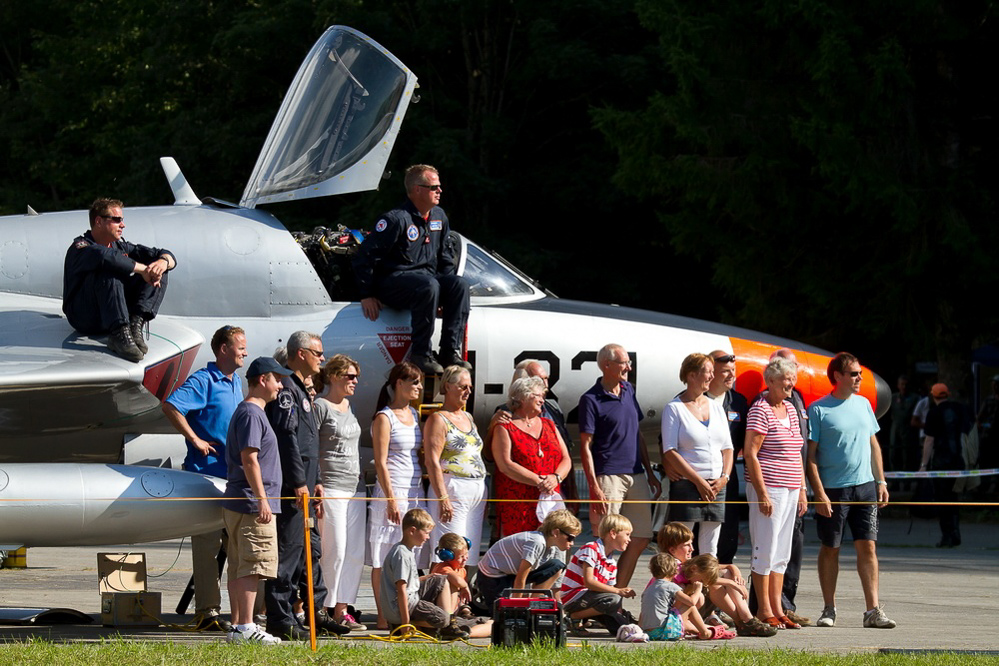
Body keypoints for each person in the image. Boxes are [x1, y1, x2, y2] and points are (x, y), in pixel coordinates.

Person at [162, 325, 247, 632]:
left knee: (237, 548)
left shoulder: (235, 381)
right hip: (206, 477)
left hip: (233, 479)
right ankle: (207, 612)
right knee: (208, 549)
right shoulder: (204, 380)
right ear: (223, 349)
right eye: (240, 347)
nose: (245, 352)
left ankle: (242, 615)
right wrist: (195, 439)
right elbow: (171, 405)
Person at [263, 331, 347, 640]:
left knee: (308, 552)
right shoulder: (287, 390)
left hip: (308, 486)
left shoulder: (301, 390)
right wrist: (299, 482)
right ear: (301, 354)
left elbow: (309, 444)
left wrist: (318, 481)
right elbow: (287, 440)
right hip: (292, 488)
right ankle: (280, 618)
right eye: (318, 353)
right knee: (288, 552)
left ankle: (312, 613)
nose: (322, 359)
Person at [352, 164, 470, 375]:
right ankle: (421, 353)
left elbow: (445, 259)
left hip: (426, 283)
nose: (440, 191)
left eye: (439, 187)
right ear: (417, 189)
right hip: (394, 282)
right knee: (429, 285)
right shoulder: (395, 219)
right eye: (434, 187)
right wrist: (366, 294)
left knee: (459, 285)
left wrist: (445, 297)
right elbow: (366, 257)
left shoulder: (439, 216)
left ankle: (450, 351)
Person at [806, 352, 896, 629]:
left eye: (859, 373)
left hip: (865, 487)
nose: (859, 378)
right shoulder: (819, 409)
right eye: (854, 373)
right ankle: (829, 608)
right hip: (833, 490)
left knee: (868, 546)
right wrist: (819, 493)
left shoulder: (864, 404)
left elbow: (873, 445)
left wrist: (880, 481)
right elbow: (810, 456)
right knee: (831, 547)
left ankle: (872, 610)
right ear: (838, 376)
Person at [221, 356, 291, 645]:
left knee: (240, 564)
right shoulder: (252, 413)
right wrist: (263, 499)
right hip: (252, 504)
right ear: (263, 380)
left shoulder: (248, 411)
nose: (281, 385)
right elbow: (250, 458)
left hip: (241, 502)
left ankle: (239, 626)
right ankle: (248, 625)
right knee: (253, 564)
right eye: (277, 379)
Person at [579, 344, 661, 587]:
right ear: (607, 365)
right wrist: (594, 486)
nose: (629, 367)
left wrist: (649, 472)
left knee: (641, 536)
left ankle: (616, 594)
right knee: (605, 541)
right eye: (624, 362)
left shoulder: (628, 389)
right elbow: (585, 445)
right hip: (608, 476)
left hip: (636, 474)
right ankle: (593, 598)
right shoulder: (590, 398)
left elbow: (638, 433)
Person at [62, 197, 176, 362]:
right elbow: (104, 256)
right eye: (116, 220)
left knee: (158, 270)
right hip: (85, 317)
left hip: (111, 310)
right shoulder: (80, 248)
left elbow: (164, 254)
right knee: (109, 269)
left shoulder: (121, 246)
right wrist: (143, 269)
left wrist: (162, 263)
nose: (122, 225)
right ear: (99, 221)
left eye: (122, 220)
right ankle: (119, 333)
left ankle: (135, 324)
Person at [743, 358, 808, 630]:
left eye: (792, 378)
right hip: (769, 487)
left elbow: (796, 453)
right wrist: (762, 493)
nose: (790, 383)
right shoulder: (760, 409)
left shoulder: (791, 409)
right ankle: (763, 609)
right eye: (784, 379)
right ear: (770, 381)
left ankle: (779, 608)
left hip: (792, 487)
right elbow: (750, 453)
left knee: (782, 551)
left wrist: (803, 489)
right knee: (765, 549)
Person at [370, 361, 428, 629]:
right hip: (392, 491)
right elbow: (380, 461)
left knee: (409, 553)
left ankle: (405, 612)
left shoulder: (415, 415)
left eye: (419, 382)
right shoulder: (384, 417)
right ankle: (384, 616)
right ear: (399, 384)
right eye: (414, 381)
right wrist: (391, 499)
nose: (419, 387)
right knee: (385, 554)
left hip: (414, 490)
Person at [661, 353, 734, 557]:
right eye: (708, 372)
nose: (712, 376)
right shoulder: (674, 408)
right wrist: (698, 481)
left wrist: (724, 478)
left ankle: (704, 587)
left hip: (717, 486)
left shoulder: (716, 407)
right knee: (681, 544)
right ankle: (677, 587)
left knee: (710, 547)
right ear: (692, 375)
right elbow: (670, 450)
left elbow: (728, 447)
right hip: (687, 484)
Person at [313, 354, 367, 630]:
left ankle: (342, 609)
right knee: (335, 550)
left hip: (354, 486)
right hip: (331, 485)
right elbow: (311, 447)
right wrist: (316, 482)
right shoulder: (320, 406)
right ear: (333, 376)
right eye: (350, 376)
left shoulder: (349, 406)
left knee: (354, 552)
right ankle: (322, 608)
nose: (355, 381)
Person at [487, 359, 579, 512]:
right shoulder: (504, 416)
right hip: (518, 497)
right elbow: (498, 461)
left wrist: (558, 480)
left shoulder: (552, 410)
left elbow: (565, 454)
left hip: (552, 493)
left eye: (545, 379)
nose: (545, 385)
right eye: (539, 380)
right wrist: (539, 481)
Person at [658, 522, 775, 637]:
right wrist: (731, 583)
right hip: (679, 613)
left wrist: (735, 573)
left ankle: (746, 620)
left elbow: (726, 567)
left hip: (689, 609)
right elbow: (700, 580)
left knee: (725, 573)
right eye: (687, 545)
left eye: (691, 544)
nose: (692, 549)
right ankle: (744, 621)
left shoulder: (687, 562)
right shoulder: (671, 567)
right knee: (712, 583)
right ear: (672, 550)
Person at [492, 376, 572, 537]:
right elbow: (505, 465)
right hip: (518, 502)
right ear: (522, 396)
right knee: (521, 551)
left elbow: (566, 459)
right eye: (538, 395)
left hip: (550, 500)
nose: (543, 400)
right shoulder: (505, 427)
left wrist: (556, 478)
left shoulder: (549, 425)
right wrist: (539, 481)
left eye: (544, 396)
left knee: (552, 549)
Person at [424, 366, 487, 567]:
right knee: (450, 551)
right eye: (462, 387)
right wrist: (442, 496)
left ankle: (459, 598)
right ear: (448, 387)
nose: (468, 391)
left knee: (468, 552)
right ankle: (442, 596)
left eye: (470, 387)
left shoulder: (469, 418)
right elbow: (432, 460)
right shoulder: (438, 419)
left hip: (475, 488)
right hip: (452, 487)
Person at [378, 508, 469, 639]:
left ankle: (448, 625)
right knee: (443, 619)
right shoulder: (402, 555)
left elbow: (408, 583)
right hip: (402, 607)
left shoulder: (405, 550)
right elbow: (401, 590)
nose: (428, 537)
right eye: (426, 533)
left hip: (410, 599)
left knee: (442, 579)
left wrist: (429, 577)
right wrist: (405, 623)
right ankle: (403, 625)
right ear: (412, 531)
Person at [474, 509, 581, 611]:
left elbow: (543, 575)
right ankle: (472, 630)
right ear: (556, 533)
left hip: (509, 574)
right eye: (570, 538)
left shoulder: (551, 547)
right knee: (505, 617)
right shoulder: (537, 542)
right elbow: (521, 577)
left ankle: (532, 606)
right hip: (492, 579)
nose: (572, 543)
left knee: (557, 566)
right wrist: (516, 606)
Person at [705, 351, 749, 566]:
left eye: (733, 371)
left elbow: (744, 444)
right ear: (710, 373)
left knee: (727, 537)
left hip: (727, 482)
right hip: (698, 482)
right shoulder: (690, 399)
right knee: (696, 541)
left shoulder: (739, 403)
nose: (731, 376)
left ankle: (718, 594)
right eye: (725, 372)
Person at [560, 514, 637, 636]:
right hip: (574, 597)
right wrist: (618, 591)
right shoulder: (591, 548)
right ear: (613, 533)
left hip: (591, 598)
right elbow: (589, 582)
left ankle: (586, 619)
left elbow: (607, 590)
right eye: (627, 535)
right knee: (613, 598)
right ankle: (573, 617)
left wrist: (618, 611)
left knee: (622, 628)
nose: (629, 539)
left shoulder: (612, 562)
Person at [920, 383, 973, 548]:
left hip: (941, 463)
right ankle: (956, 532)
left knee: (943, 499)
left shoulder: (933, 413)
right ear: (948, 394)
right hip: (958, 460)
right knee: (954, 497)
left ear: (933, 396)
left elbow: (929, 440)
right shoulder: (960, 409)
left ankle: (947, 536)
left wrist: (923, 464)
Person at [429, 533, 493, 638]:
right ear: (447, 556)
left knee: (492, 621)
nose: (465, 558)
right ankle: (463, 633)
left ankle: (464, 632)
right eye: (461, 556)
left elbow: (461, 599)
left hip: (456, 616)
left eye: (466, 554)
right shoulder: (442, 568)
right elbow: (458, 581)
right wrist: (465, 586)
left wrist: (465, 610)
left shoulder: (462, 570)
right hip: (442, 618)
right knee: (492, 625)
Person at [675, 555, 736, 639]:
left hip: (675, 617)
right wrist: (697, 590)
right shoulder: (678, 581)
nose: (702, 583)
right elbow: (691, 602)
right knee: (693, 605)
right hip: (670, 620)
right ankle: (708, 631)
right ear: (693, 569)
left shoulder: (686, 576)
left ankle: (708, 630)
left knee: (691, 613)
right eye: (701, 580)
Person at [639, 552, 694, 641]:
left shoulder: (648, 589)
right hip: (664, 631)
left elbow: (642, 613)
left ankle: (703, 629)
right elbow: (691, 602)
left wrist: (640, 630)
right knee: (690, 607)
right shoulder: (671, 586)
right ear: (675, 571)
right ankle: (704, 631)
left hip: (649, 633)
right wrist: (698, 589)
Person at [889, 375, 919, 480]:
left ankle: (907, 480)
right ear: (898, 385)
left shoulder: (915, 398)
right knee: (893, 453)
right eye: (902, 384)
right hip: (895, 427)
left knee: (907, 454)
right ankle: (894, 479)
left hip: (909, 429)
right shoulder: (893, 398)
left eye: (906, 384)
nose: (904, 386)